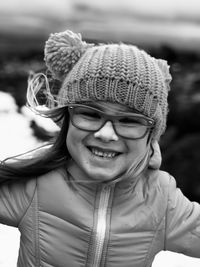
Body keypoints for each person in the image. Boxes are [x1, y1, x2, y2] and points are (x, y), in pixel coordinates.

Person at [0, 29, 200, 267]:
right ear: (66, 119)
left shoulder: (162, 200)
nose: (106, 134)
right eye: (89, 114)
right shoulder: (34, 186)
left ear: (151, 134)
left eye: (129, 121)